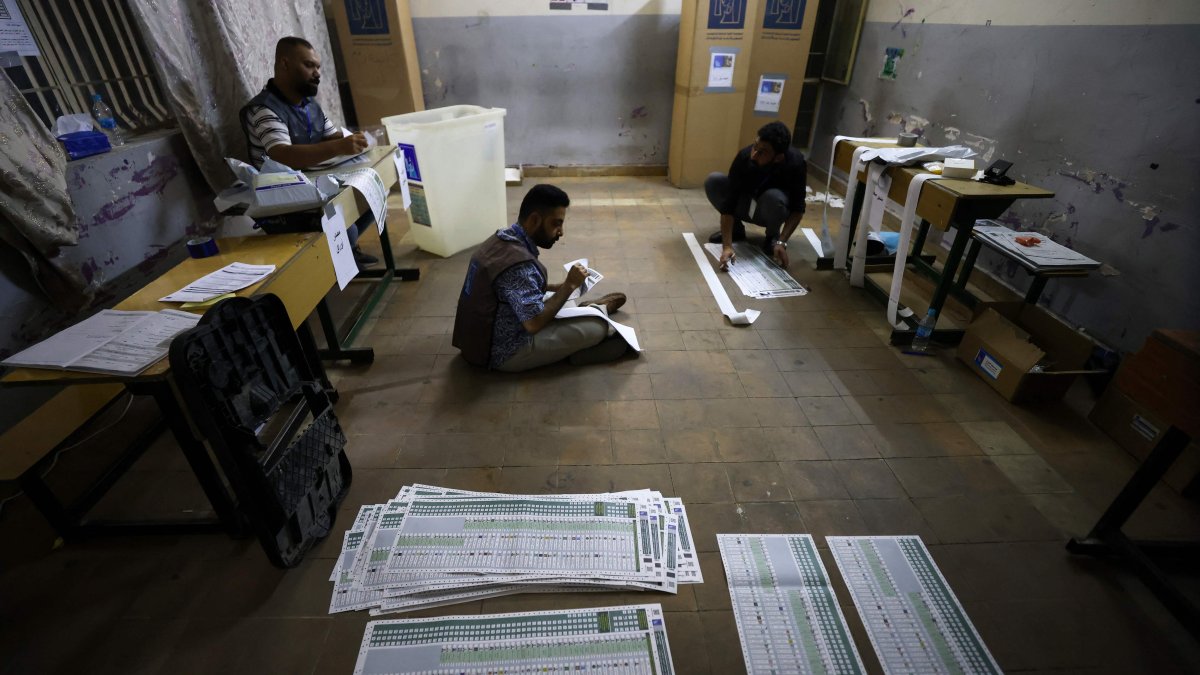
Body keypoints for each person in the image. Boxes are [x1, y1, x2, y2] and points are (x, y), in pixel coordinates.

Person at [453, 184, 629, 372]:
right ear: (535, 220)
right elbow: (533, 323)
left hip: (479, 338)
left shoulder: (502, 238)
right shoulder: (519, 266)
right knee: (597, 327)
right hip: (503, 352)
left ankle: (591, 310)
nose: (560, 232)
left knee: (560, 300)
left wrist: (557, 287)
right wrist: (569, 285)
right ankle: (592, 326)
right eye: (556, 223)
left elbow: (513, 290)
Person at [240, 36, 376, 267]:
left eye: (318, 67)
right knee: (346, 227)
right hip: (279, 198)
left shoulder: (309, 105)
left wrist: (356, 139)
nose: (317, 73)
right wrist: (339, 146)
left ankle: (342, 254)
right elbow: (282, 154)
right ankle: (333, 261)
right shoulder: (263, 109)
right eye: (309, 65)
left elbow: (333, 135)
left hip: (308, 186)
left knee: (370, 196)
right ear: (284, 64)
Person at [705, 120, 807, 271]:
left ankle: (772, 237)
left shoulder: (796, 163)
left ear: (778, 157)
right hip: (746, 204)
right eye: (755, 146)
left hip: (771, 210)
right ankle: (737, 230)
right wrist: (727, 246)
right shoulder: (745, 157)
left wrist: (782, 242)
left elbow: (798, 209)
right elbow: (729, 204)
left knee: (774, 197)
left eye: (762, 152)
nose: (754, 155)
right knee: (714, 181)